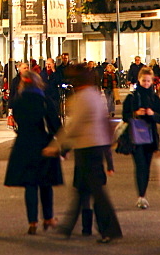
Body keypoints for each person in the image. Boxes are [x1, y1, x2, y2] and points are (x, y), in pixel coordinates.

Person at [48, 66, 122, 244]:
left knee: (96, 192)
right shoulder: (94, 95)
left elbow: (74, 126)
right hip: (95, 146)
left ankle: (109, 229)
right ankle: (68, 226)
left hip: (87, 148)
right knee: (81, 190)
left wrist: (56, 145)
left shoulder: (83, 97)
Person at [4, 71, 63, 234]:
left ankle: (32, 222)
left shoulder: (18, 101)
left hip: (24, 145)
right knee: (45, 183)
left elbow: (17, 124)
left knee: (30, 185)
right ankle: (48, 217)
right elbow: (55, 125)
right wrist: (62, 147)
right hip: (44, 145)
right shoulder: (44, 100)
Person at [123, 68, 160, 209]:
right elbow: (124, 115)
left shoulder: (155, 98)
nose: (146, 83)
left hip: (151, 136)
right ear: (139, 80)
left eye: (148, 81)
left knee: (146, 166)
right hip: (135, 136)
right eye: (144, 80)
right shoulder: (132, 97)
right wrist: (135, 113)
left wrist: (152, 114)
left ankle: (143, 194)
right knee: (140, 165)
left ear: (152, 81)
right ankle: (141, 196)